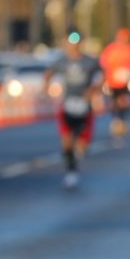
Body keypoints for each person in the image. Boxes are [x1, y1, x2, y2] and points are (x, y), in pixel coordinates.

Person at [43, 30, 103, 189]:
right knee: (67, 142)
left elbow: (103, 75)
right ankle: (71, 172)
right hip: (67, 105)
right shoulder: (61, 61)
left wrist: (94, 89)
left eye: (77, 43)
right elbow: (48, 74)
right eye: (70, 42)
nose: (73, 46)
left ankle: (76, 156)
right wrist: (46, 87)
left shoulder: (90, 62)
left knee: (82, 145)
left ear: (81, 43)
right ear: (66, 43)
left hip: (85, 107)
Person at [99, 27, 130, 137]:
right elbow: (104, 63)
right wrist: (105, 78)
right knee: (115, 102)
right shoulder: (111, 49)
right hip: (113, 81)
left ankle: (123, 120)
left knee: (124, 101)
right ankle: (116, 120)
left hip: (126, 82)